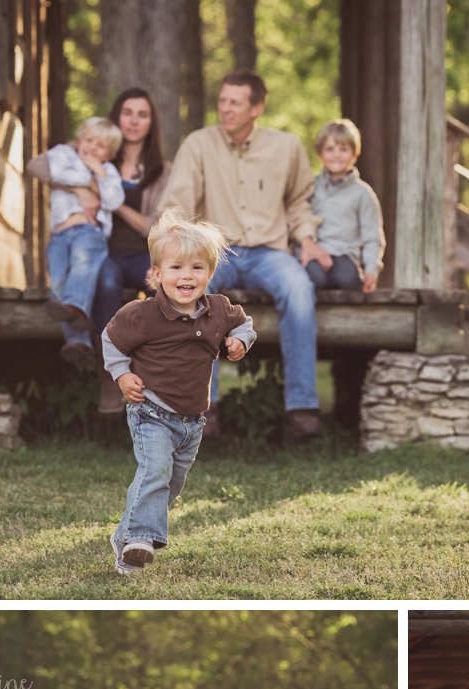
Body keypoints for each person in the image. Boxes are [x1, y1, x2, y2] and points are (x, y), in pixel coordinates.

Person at [160, 69, 327, 440]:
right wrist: (168, 255)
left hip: (271, 252)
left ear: (257, 107)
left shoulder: (287, 148)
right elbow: (176, 205)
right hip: (218, 252)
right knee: (192, 292)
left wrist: (307, 239)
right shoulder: (198, 144)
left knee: (299, 290)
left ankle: (302, 410)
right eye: (222, 101)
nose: (225, 109)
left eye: (234, 102)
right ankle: (205, 408)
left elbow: (300, 203)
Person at [101, 210, 255, 576]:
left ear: (210, 274)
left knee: (169, 484)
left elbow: (245, 323)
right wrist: (122, 375)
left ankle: (125, 533)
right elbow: (110, 339)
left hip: (192, 423)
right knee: (155, 471)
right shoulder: (142, 314)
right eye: (176, 268)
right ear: (155, 274)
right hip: (151, 412)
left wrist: (240, 341)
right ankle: (136, 546)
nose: (186, 276)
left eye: (197, 268)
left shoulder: (218, 310)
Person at [92, 88, 173, 414]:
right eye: (127, 113)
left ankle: (163, 381)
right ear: (117, 116)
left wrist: (116, 203)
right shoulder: (96, 156)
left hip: (143, 255)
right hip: (104, 253)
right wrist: (78, 190)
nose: (134, 121)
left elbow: (155, 224)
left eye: (142, 114)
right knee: (107, 283)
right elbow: (42, 166)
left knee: (164, 292)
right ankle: (111, 378)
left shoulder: (161, 170)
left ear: (151, 123)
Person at [26, 117, 124, 366]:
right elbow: (57, 173)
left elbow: (114, 201)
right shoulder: (64, 154)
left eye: (101, 146)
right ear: (78, 140)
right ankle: (78, 341)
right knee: (58, 284)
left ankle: (78, 307)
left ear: (109, 154)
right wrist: (89, 183)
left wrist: (99, 173)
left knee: (81, 267)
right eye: (89, 140)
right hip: (59, 235)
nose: (92, 148)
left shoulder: (108, 171)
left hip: (87, 231)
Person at [301, 119, 385, 292]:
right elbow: (298, 219)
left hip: (345, 255)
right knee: (313, 278)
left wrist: (371, 270)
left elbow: (372, 236)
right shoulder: (310, 187)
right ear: (320, 153)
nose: (336, 155)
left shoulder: (363, 194)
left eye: (344, 149)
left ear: (355, 154)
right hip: (316, 253)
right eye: (330, 149)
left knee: (346, 278)